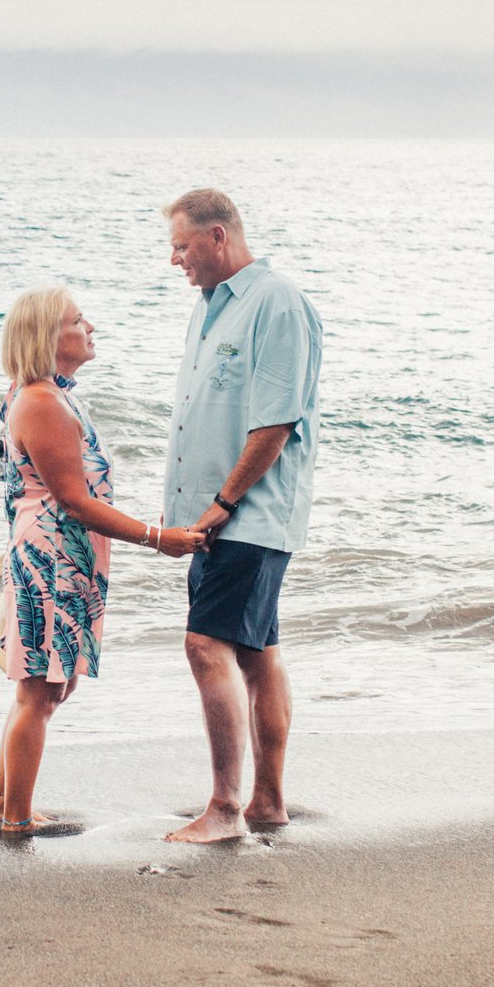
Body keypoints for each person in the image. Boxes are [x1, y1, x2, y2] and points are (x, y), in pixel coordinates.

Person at [0, 286, 206, 836]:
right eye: (79, 320)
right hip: (52, 558)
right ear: (48, 336)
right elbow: (75, 502)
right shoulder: (41, 402)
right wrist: (158, 538)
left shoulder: (52, 396)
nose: (91, 327)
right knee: (40, 688)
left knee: (51, 684)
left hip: (63, 554)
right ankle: (15, 819)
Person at [159, 189, 323, 843]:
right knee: (256, 654)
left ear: (218, 236)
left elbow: (276, 422)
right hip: (212, 518)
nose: (174, 259)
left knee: (205, 645)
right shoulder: (208, 309)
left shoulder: (275, 302)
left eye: (181, 246)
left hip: (246, 515)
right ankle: (267, 803)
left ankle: (225, 809)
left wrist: (223, 504)